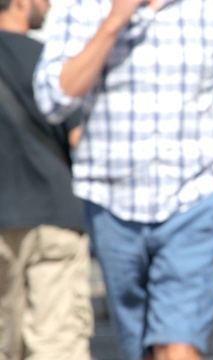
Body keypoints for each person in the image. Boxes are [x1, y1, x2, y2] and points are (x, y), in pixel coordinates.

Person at [33, 0, 213, 358]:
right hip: (111, 201)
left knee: (177, 346)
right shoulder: (85, 8)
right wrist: (114, 22)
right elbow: (53, 100)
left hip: (194, 197)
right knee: (140, 348)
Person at [0, 0, 93, 358]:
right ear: (21, 3)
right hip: (54, 215)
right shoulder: (52, 63)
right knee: (57, 344)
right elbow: (78, 139)